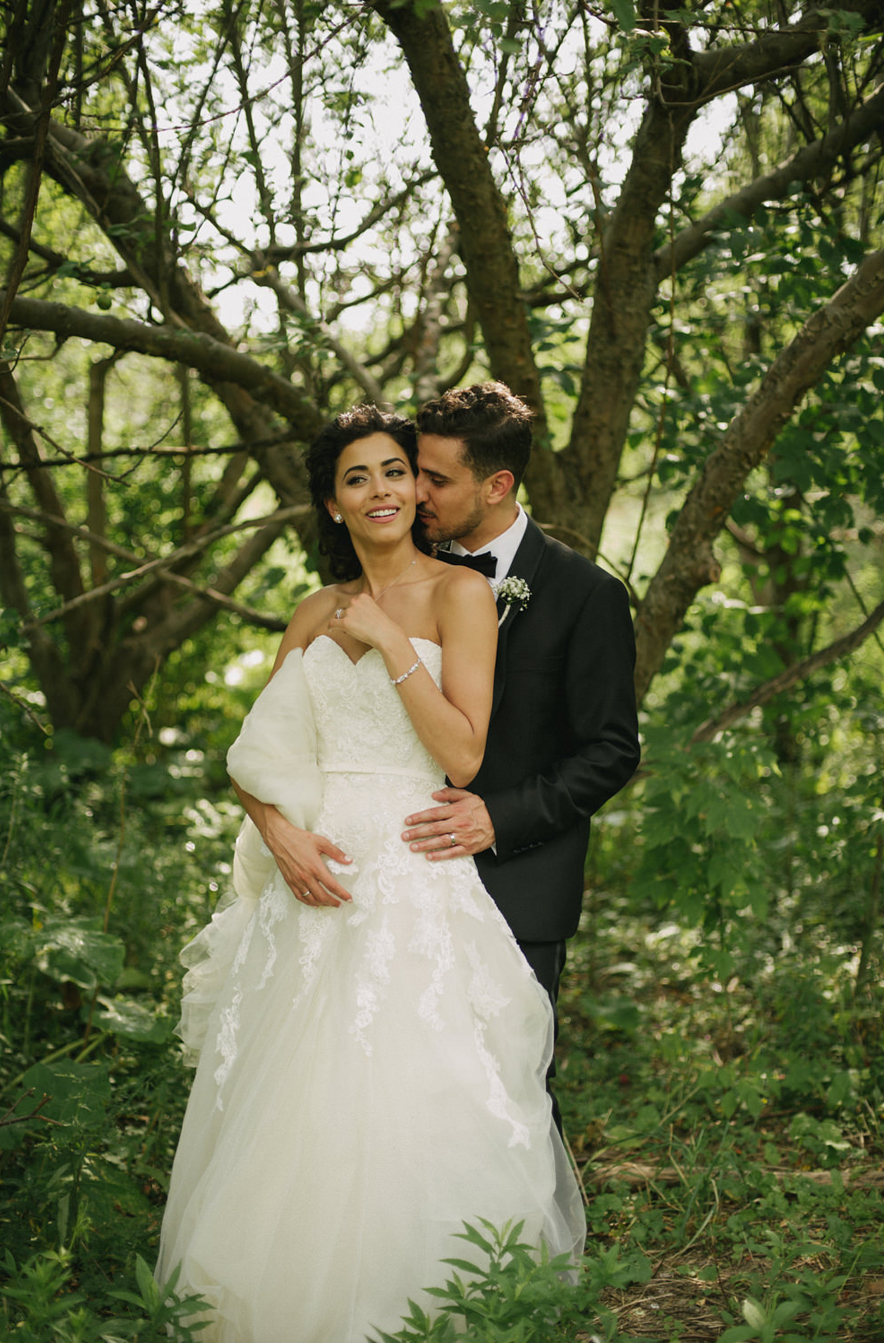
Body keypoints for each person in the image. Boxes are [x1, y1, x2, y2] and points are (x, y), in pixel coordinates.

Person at [157, 406, 584, 1342]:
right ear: (332, 500)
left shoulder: (460, 595)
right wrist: (279, 836)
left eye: (397, 471)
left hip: (409, 865)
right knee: (289, 1095)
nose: (384, 489)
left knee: (410, 1079)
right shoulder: (311, 611)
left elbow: (463, 755)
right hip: (311, 876)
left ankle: (419, 1306)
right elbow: (256, 756)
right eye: (360, 477)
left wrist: (394, 646)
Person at [401, 383, 639, 1126]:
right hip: (399, 870)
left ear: (497, 485)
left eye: (436, 478)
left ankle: (519, 1244)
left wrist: (499, 819)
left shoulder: (583, 594)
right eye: (416, 471)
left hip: (519, 881)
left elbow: (610, 750)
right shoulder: (398, 575)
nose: (417, 492)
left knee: (506, 1087)